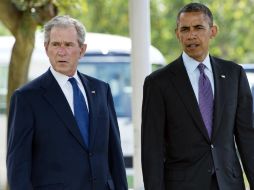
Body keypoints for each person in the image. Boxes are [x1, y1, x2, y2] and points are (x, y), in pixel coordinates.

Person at [7, 15, 128, 190]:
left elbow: (115, 154)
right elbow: (18, 165)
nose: (61, 51)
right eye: (56, 44)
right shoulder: (27, 97)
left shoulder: (101, 90)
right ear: (46, 48)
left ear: (82, 49)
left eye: (69, 45)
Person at [141, 3, 254, 190]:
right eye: (185, 29)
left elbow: (247, 138)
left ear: (213, 31)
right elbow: (152, 149)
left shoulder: (234, 74)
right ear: (177, 33)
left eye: (199, 28)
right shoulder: (158, 82)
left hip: (229, 183)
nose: (191, 35)